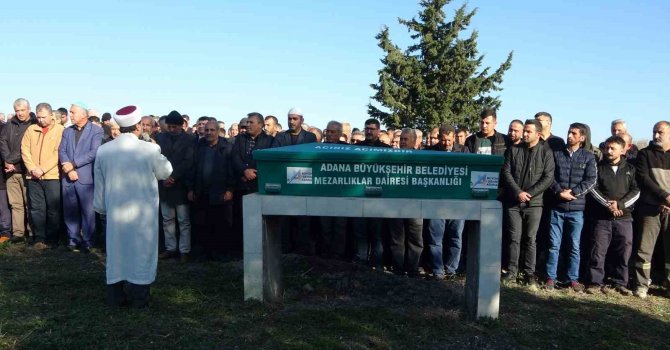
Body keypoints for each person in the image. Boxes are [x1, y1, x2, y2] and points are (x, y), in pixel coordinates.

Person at [95, 105, 172, 309]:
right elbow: (166, 171)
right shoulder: (150, 149)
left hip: (116, 212)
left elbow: (99, 186)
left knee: (117, 251)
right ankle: (139, 299)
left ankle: (116, 297)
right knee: (141, 252)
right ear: (138, 125)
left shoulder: (104, 151)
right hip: (142, 214)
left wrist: (102, 208)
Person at [500, 119, 555, 288]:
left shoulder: (546, 152)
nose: (524, 134)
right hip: (514, 201)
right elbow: (506, 172)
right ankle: (512, 271)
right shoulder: (513, 149)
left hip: (534, 203)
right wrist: (518, 192)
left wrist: (529, 194)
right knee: (513, 238)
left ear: (538, 134)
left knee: (531, 239)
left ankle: (529, 273)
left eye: (528, 132)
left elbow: (548, 177)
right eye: (524, 131)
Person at [546, 123, 597, 292]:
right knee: (554, 244)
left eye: (574, 134)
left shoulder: (589, 157)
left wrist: (573, 192)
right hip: (557, 207)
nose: (569, 136)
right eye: (569, 132)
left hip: (576, 209)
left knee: (574, 245)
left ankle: (572, 279)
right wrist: (559, 192)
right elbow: (550, 177)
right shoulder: (557, 154)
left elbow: (591, 180)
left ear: (582, 138)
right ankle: (550, 277)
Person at [585, 136, 639, 295]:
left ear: (622, 150)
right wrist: (609, 205)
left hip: (624, 218)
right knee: (598, 251)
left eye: (612, 148)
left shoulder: (630, 169)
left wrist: (620, 205)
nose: (608, 151)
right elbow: (593, 189)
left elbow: (636, 191)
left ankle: (620, 283)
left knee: (623, 252)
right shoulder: (598, 168)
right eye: (606, 148)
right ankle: (595, 282)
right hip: (602, 218)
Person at [632, 121, 670, 299]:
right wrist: (665, 197)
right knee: (644, 249)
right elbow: (644, 179)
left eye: (660, 132)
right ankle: (641, 285)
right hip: (651, 208)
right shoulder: (645, 154)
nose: (655, 136)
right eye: (654, 132)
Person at [59, 102, 103, 252]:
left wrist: (74, 164)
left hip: (86, 177)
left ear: (84, 114)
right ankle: (73, 239)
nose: (70, 115)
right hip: (68, 176)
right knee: (70, 210)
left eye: (73, 112)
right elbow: (62, 150)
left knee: (88, 211)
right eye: (70, 112)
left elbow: (94, 152)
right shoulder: (67, 131)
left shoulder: (96, 131)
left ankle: (88, 240)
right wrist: (68, 167)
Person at [272, 108, 317, 254]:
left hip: (303, 184)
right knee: (285, 220)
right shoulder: (280, 136)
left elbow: (311, 159)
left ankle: (302, 251)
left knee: (303, 220)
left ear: (301, 120)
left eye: (295, 119)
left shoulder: (310, 137)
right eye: (289, 118)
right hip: (285, 184)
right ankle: (286, 251)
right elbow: (276, 156)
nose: (291, 121)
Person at [21, 103, 64, 249]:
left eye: (43, 117)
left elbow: (58, 153)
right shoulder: (31, 129)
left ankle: (53, 239)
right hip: (33, 177)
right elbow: (24, 150)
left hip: (52, 176)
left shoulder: (60, 131)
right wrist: (32, 168)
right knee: (36, 208)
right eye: (38, 117)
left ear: (51, 115)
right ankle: (39, 238)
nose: (40, 120)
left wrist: (43, 169)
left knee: (53, 209)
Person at [426, 125, 467, 279]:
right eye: (443, 140)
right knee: (435, 238)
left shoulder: (464, 151)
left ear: (454, 138)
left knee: (455, 237)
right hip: (436, 202)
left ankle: (451, 269)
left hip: (457, 202)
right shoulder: (430, 152)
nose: (446, 143)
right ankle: (437, 270)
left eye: (449, 140)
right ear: (438, 138)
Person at [189, 119, 234, 259]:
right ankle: (205, 253)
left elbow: (231, 170)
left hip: (220, 192)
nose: (208, 132)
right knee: (202, 224)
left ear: (218, 131)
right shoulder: (198, 146)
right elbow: (192, 168)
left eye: (212, 130)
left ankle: (221, 253)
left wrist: (230, 189)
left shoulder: (227, 147)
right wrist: (191, 188)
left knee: (221, 224)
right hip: (202, 192)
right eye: (206, 130)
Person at [156, 111, 194, 262]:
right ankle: (170, 248)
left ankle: (184, 250)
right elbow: (158, 158)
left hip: (181, 184)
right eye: (169, 126)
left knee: (183, 220)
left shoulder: (190, 140)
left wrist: (173, 176)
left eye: (174, 127)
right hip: (164, 184)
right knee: (167, 219)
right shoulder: (160, 137)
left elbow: (188, 161)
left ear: (181, 126)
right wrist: (165, 177)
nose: (171, 129)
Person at [353, 118, 391, 268]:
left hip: (378, 198)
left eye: (372, 129)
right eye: (367, 128)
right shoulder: (356, 148)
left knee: (377, 234)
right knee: (360, 232)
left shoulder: (386, 149)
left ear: (378, 131)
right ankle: (361, 260)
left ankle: (377, 263)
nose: (369, 131)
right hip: (360, 196)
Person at [388, 129, 424, 276]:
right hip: (396, 204)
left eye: (406, 139)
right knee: (397, 239)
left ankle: (413, 269)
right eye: (401, 139)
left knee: (415, 239)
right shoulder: (392, 157)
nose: (402, 142)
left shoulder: (422, 158)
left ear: (414, 142)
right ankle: (398, 269)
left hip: (415, 204)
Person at [0, 98, 35, 243]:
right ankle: (18, 233)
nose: (20, 113)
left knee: (30, 204)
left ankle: (32, 233)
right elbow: (2, 141)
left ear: (28, 109)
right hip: (11, 171)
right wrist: (7, 160)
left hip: (26, 170)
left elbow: (25, 146)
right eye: (17, 110)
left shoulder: (33, 125)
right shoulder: (9, 124)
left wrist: (11, 160)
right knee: (15, 204)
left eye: (22, 110)